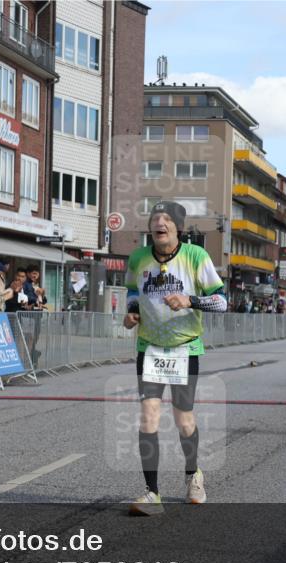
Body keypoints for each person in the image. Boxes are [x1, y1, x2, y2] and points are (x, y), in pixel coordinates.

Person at [124, 201, 227, 516]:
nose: (160, 223)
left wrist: (190, 300)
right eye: (155, 218)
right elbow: (132, 292)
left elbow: (222, 301)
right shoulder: (139, 258)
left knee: (184, 420)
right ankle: (152, 493)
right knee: (148, 417)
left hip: (185, 347)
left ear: (178, 227)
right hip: (150, 347)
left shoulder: (196, 256)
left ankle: (193, 475)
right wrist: (131, 314)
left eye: (167, 218)